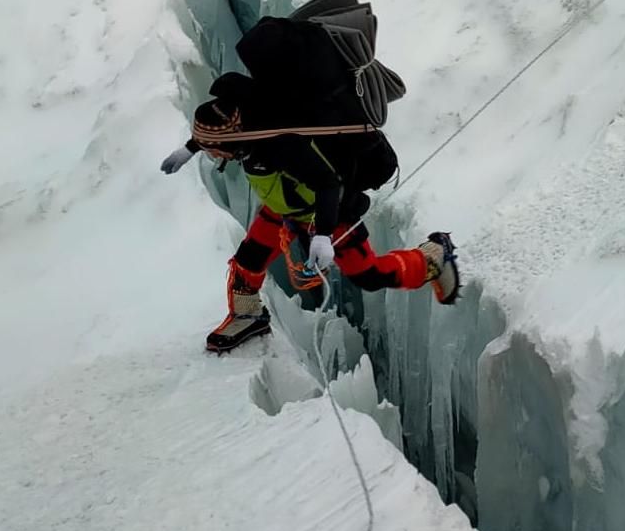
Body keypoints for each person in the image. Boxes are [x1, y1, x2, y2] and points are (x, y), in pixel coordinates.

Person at [161, 70, 459, 352]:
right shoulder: (239, 120)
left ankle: (432, 257)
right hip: (283, 208)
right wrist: (190, 149)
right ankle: (248, 317)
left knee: (368, 274)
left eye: (213, 149)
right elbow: (215, 130)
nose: (211, 153)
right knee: (247, 261)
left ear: (233, 141)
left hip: (329, 212)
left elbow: (327, 184)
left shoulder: (280, 148)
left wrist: (324, 235)